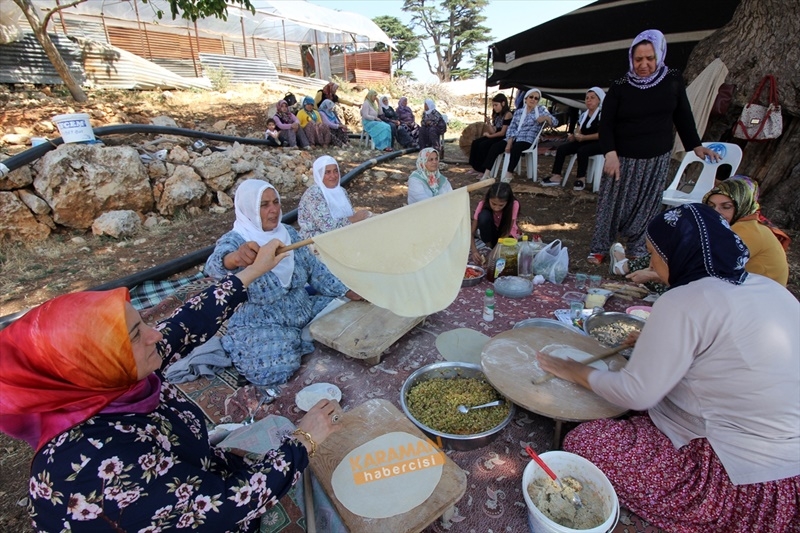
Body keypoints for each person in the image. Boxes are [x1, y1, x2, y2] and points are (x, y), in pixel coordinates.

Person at [0, 239, 342, 532]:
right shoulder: (97, 466)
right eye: (137, 335)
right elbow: (223, 508)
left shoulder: (111, 382)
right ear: (94, 365)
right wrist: (304, 441)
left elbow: (186, 323)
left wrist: (252, 272)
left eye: (141, 324)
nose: (156, 335)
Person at [538, 203, 800, 533]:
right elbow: (725, 353)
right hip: (791, 467)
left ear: (679, 252)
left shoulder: (682, 301)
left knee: (585, 443)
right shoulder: (771, 289)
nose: (650, 263)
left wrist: (574, 370)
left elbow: (637, 394)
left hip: (738, 475)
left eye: (653, 253)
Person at [205, 179, 361, 386]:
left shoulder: (289, 233)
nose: (274, 210)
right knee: (275, 368)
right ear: (248, 208)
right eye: (264, 205)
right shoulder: (237, 240)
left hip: (303, 308)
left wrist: (349, 291)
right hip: (261, 321)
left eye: (276, 202)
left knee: (352, 313)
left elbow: (316, 271)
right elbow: (213, 267)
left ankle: (299, 337)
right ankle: (283, 341)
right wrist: (234, 259)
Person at [587, 29, 719, 265]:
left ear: (659, 55)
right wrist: (610, 153)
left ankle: (637, 247)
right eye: (638, 59)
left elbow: (683, 115)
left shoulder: (673, 79)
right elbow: (606, 123)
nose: (644, 64)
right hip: (622, 156)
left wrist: (695, 146)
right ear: (631, 58)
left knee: (647, 205)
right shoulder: (620, 85)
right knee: (611, 204)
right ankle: (600, 248)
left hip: (656, 156)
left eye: (650, 58)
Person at [703, 176, 789, 286]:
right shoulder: (744, 224)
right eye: (711, 206)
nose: (715, 212)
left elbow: (708, 266)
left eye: (726, 207)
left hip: (759, 297)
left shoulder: (745, 230)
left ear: (743, 205)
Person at [482, 88, 557, 182]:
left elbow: (555, 122)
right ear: (525, 98)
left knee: (516, 148)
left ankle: (509, 174)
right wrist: (509, 142)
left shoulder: (541, 110)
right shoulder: (519, 112)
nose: (533, 99)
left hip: (528, 139)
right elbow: (511, 128)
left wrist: (546, 117)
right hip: (514, 137)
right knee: (495, 147)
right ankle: (487, 173)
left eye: (536, 98)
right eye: (531, 97)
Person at [542, 87, 606, 191]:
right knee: (562, 149)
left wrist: (584, 137)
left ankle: (581, 178)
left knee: (582, 151)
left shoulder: (603, 115)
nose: (589, 100)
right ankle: (556, 175)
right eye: (587, 98)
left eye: (592, 98)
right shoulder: (584, 115)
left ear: (599, 100)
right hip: (584, 141)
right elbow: (578, 129)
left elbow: (603, 134)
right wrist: (574, 135)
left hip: (598, 143)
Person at [298, 155, 370, 239]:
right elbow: (327, 226)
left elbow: (350, 214)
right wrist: (354, 219)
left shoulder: (341, 191)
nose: (333, 176)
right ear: (319, 174)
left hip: (341, 235)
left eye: (335, 171)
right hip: (316, 241)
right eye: (327, 172)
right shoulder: (314, 193)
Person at [470, 182, 519, 264]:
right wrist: (474, 251)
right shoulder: (482, 204)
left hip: (505, 235)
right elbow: (471, 232)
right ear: (488, 199)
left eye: (501, 205)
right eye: (493, 204)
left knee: (508, 257)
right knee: (483, 216)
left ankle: (493, 248)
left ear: (507, 202)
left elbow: (507, 230)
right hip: (491, 233)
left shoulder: (514, 205)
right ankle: (489, 245)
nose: (496, 208)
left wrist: (495, 251)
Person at [469, 93, 513, 177]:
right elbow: (493, 131)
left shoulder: (507, 114)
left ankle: (483, 169)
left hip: (503, 137)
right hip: (496, 135)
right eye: (493, 105)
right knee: (476, 143)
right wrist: (489, 123)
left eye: (496, 105)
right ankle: (475, 167)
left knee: (484, 145)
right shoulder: (497, 115)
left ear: (503, 103)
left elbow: (502, 132)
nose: (494, 107)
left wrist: (489, 136)